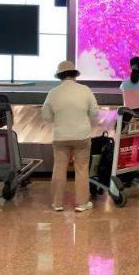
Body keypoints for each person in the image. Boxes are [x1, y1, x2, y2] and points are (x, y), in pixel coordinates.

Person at [42, 60, 100, 212]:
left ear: (60, 76)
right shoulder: (85, 90)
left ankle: (57, 203)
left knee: (59, 168)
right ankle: (82, 203)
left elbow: (46, 116)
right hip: (81, 136)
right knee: (81, 169)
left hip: (60, 137)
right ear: (74, 74)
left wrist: (58, 119)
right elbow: (94, 112)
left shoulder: (53, 93)